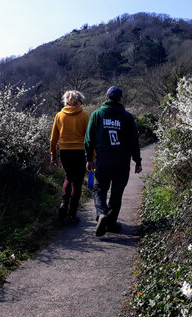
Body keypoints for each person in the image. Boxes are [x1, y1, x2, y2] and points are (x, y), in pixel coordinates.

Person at [84, 86, 142, 237]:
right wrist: (137, 161)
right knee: (117, 193)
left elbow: (89, 139)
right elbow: (134, 142)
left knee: (99, 189)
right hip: (122, 161)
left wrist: (89, 158)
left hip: (103, 160)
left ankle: (101, 214)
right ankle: (111, 223)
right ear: (120, 99)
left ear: (106, 98)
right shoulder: (128, 117)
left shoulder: (97, 114)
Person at [50, 90, 89, 223]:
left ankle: (63, 205)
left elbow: (53, 140)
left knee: (68, 177)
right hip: (79, 152)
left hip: (65, 151)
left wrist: (54, 156)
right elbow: (89, 139)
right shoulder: (84, 116)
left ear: (66, 101)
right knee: (77, 183)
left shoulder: (59, 116)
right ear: (79, 101)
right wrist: (92, 156)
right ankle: (72, 214)